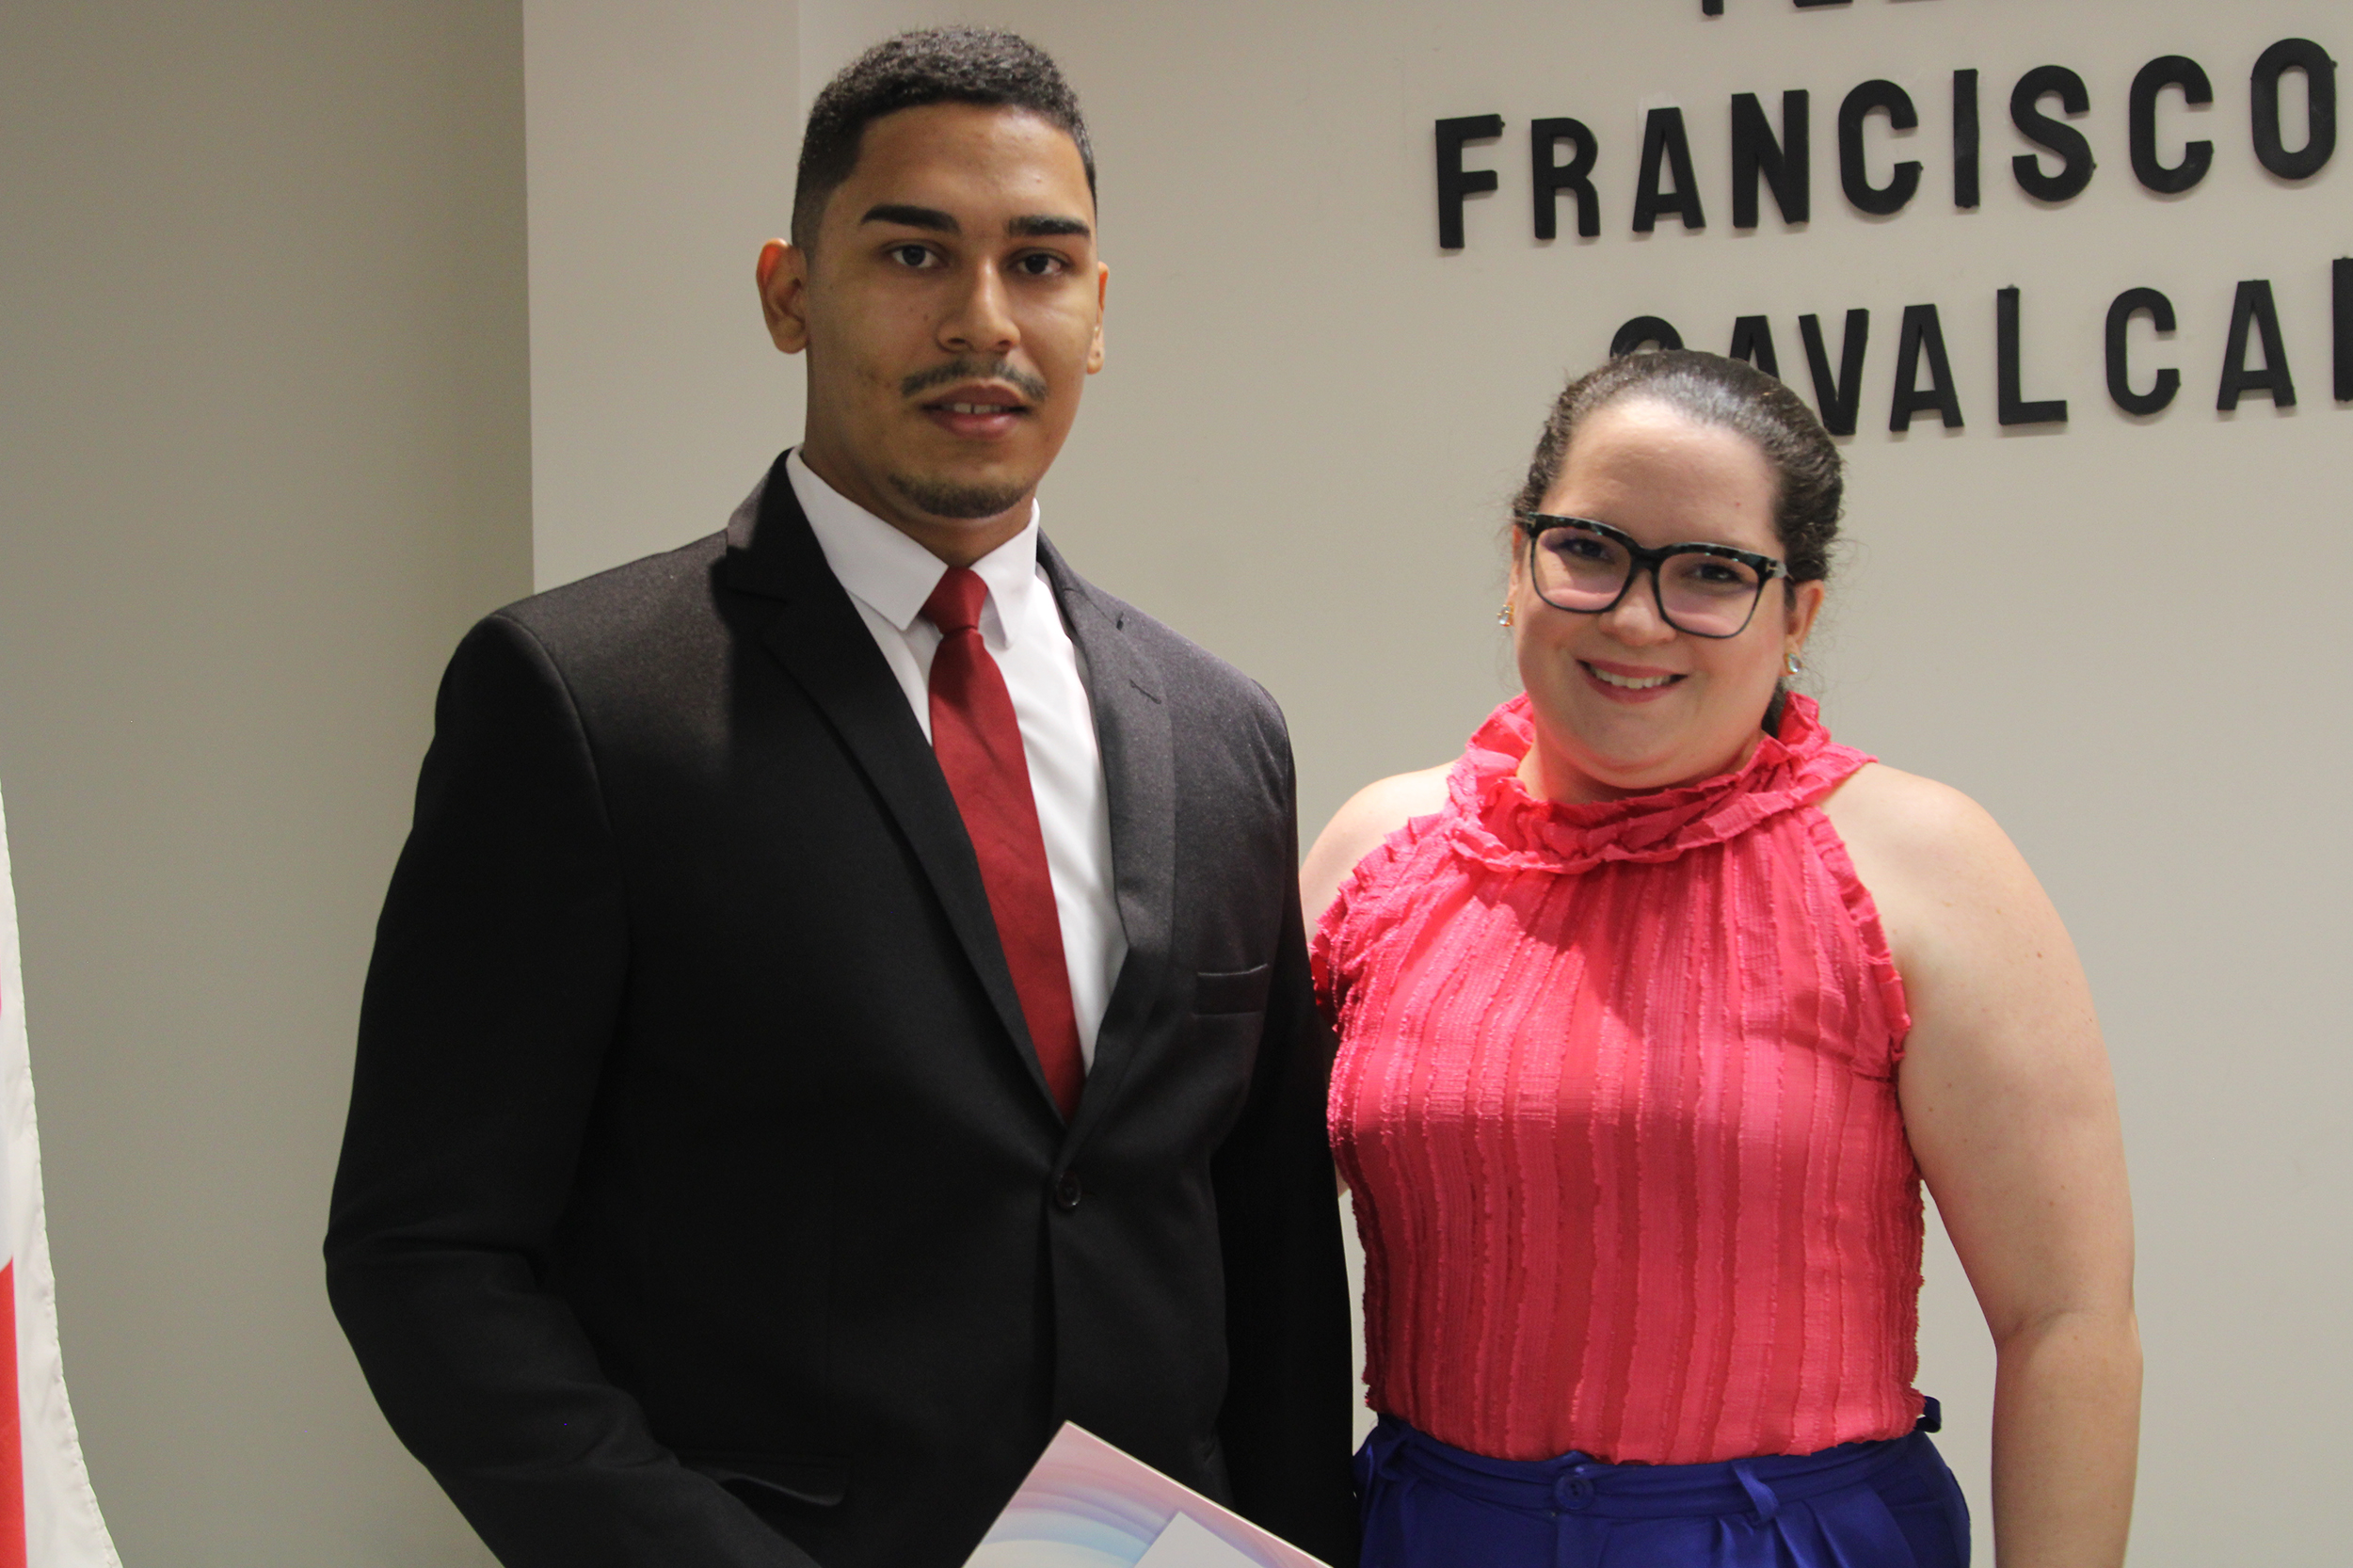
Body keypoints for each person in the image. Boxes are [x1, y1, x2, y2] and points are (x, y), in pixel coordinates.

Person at [326, 28, 1356, 1568]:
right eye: (914, 252)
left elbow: (1271, 1254)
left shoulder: (1224, 734)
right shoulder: (582, 703)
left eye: (1039, 263)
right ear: (788, 292)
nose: (983, 319)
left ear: (1097, 313)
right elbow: (426, 1252)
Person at [1302, 350, 2137, 1567]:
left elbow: (2065, 1321)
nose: (1635, 616)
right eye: (1589, 549)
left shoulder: (1920, 866)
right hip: (1430, 1535)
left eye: (1710, 573)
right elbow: (1212, 1233)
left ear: (1797, 613)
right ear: (1517, 561)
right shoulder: (1381, 851)